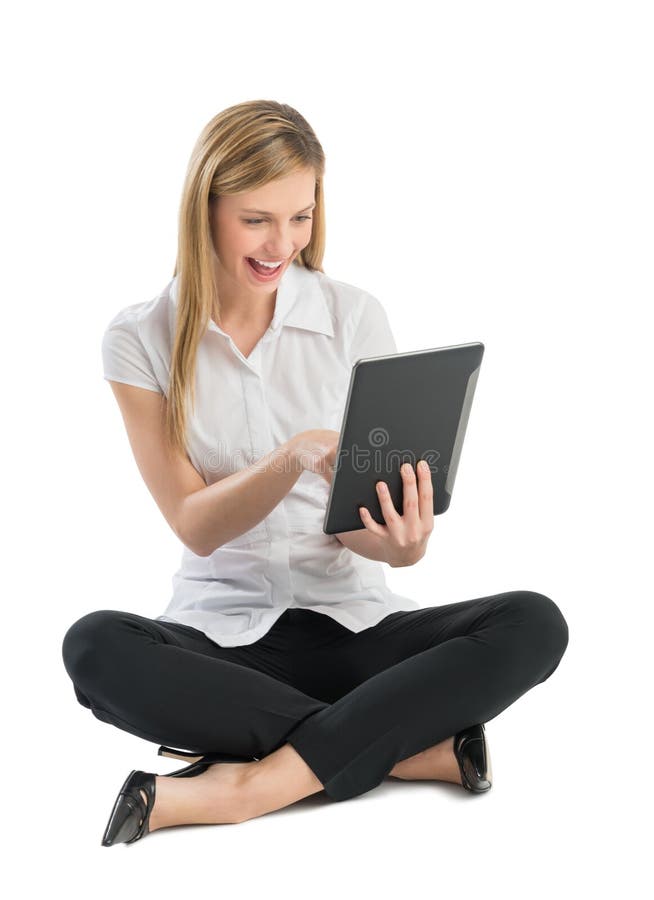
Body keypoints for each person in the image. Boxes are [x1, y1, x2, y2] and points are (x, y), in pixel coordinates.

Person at [60, 99, 569, 846]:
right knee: (94, 647)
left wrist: (403, 545)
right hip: (223, 639)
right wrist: (294, 453)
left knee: (534, 621)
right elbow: (195, 525)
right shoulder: (140, 339)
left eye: (300, 216)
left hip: (357, 629)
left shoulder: (353, 315)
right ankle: (399, 745)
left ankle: (251, 785)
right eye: (257, 218)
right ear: (205, 207)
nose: (283, 243)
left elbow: (374, 527)